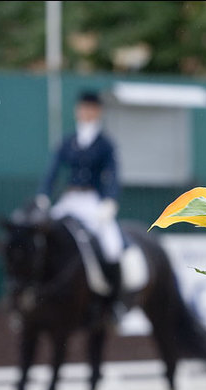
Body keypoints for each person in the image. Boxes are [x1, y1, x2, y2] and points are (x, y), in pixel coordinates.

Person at [37, 90, 123, 303]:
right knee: (43, 236)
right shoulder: (68, 141)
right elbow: (53, 170)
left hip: (92, 200)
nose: (86, 112)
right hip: (69, 200)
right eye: (82, 108)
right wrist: (44, 195)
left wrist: (110, 200)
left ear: (98, 112)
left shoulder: (105, 144)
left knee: (113, 246)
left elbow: (113, 174)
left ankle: (112, 299)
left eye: (90, 108)